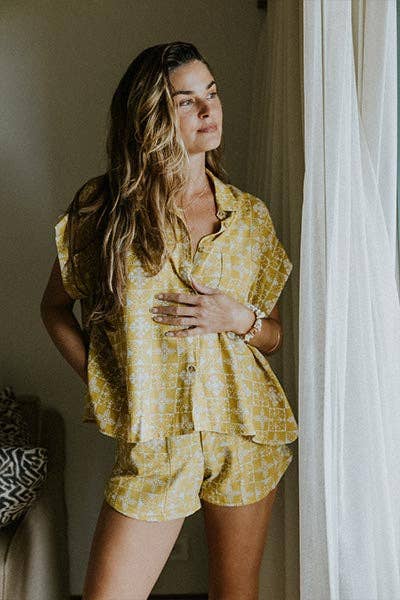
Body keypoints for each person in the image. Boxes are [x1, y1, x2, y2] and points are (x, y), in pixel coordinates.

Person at [40, 41, 298, 600]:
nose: (209, 110)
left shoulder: (250, 217)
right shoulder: (103, 210)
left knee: (236, 592)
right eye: (187, 101)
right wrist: (105, 383)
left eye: (212, 93)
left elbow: (273, 338)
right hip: (155, 441)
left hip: (244, 427)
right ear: (152, 115)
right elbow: (54, 307)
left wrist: (240, 317)